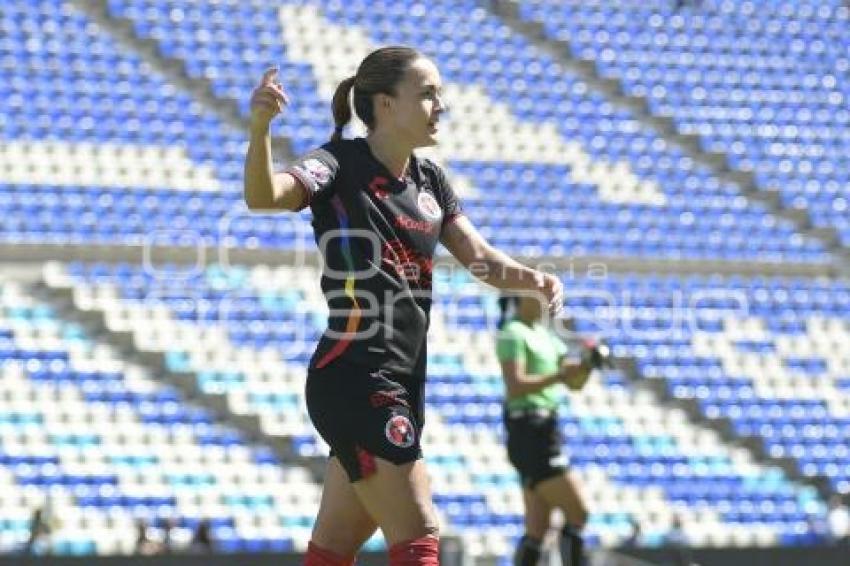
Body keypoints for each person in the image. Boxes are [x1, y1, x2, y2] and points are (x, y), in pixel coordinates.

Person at [244, 46, 564, 566]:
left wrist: (531, 279)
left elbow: (479, 258)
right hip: (356, 375)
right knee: (419, 533)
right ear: (386, 104)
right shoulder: (337, 163)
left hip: (401, 380)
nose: (441, 105)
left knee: (333, 549)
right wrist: (259, 129)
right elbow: (264, 196)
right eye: (428, 94)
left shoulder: (431, 180)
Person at [496, 295, 611, 566]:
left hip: (543, 427)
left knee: (537, 527)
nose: (547, 303)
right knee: (578, 512)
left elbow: (575, 383)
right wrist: (560, 376)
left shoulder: (546, 336)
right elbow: (516, 385)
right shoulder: (512, 333)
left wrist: (587, 365)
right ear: (520, 298)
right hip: (530, 428)